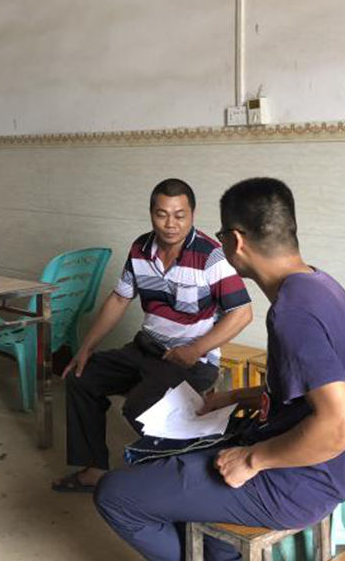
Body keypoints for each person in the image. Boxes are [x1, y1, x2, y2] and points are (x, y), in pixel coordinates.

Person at [94, 177, 345, 561]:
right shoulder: (320, 286)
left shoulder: (292, 313)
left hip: (298, 481)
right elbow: (307, 390)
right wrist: (229, 397)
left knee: (116, 494)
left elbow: (342, 427)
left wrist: (253, 459)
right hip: (328, 470)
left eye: (222, 235)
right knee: (179, 463)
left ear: (236, 241)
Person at [52, 178, 253, 493]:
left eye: (180, 215)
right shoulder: (140, 249)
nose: (171, 224)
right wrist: (86, 348)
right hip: (144, 349)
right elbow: (119, 298)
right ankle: (94, 470)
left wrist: (194, 350)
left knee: (140, 406)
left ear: (193, 213)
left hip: (192, 361)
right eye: (162, 214)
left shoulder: (211, 256)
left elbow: (242, 313)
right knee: (82, 377)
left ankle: (178, 480)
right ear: (151, 214)